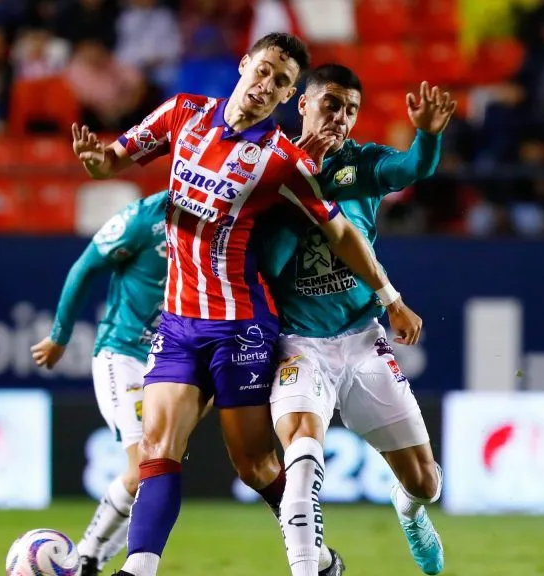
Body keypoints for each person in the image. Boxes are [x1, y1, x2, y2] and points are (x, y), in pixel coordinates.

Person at [71, 32, 422, 576]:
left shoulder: (283, 161)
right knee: (157, 449)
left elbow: (342, 235)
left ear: (287, 97)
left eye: (281, 82)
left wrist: (389, 297)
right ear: (244, 65)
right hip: (179, 322)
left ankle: (315, 555)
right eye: (264, 71)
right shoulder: (182, 113)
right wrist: (97, 162)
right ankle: (137, 569)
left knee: (255, 466)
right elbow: (111, 161)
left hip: (241, 328)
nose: (267, 85)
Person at [263, 65, 455, 576]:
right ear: (303, 103)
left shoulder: (360, 164)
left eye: (351, 109)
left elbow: (411, 168)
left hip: (361, 339)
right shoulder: (269, 164)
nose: (341, 117)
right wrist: (301, 175)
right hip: (298, 344)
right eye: (331, 104)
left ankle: (409, 511)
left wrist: (427, 137)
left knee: (425, 484)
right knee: (301, 459)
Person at [30, 191, 169, 576]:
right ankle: (88, 556)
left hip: (172, 362)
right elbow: (85, 267)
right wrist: (59, 336)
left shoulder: (220, 223)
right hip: (123, 355)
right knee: (146, 466)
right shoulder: (142, 219)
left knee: (159, 471)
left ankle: (91, 559)